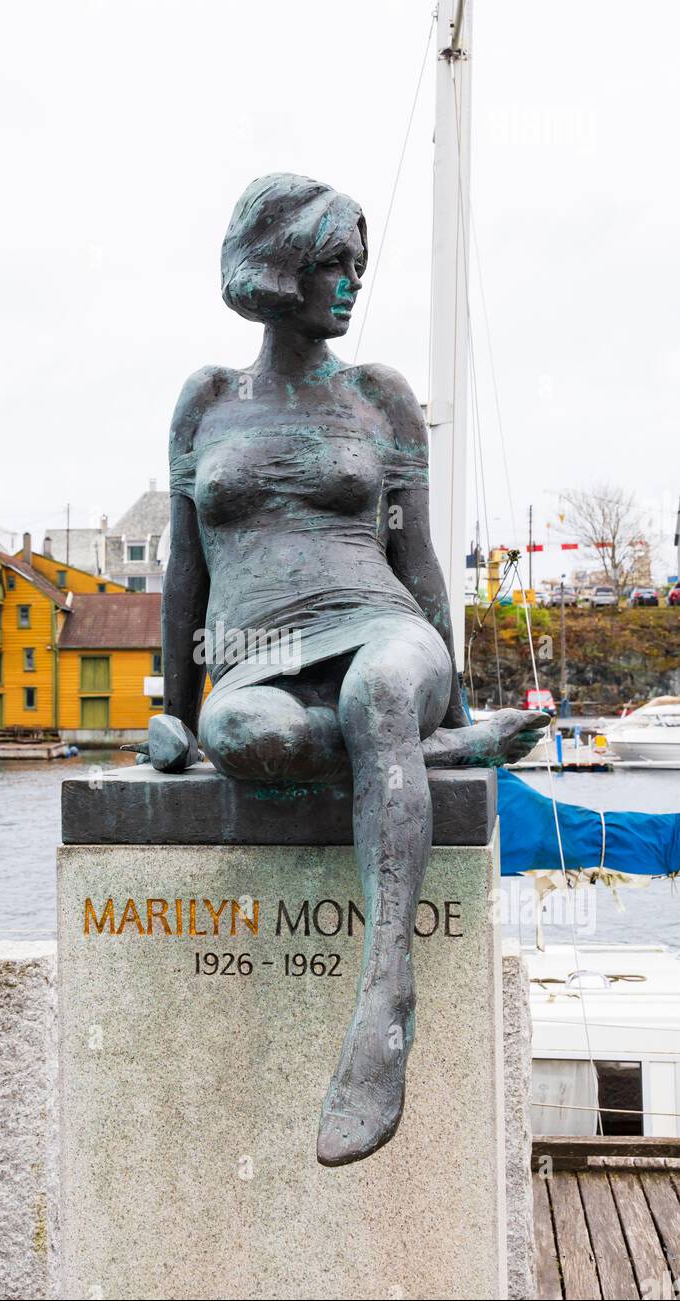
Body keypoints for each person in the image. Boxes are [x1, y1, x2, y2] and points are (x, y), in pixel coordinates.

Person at [143, 173, 546, 1166]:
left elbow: (416, 558)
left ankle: (382, 1001)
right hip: (254, 659)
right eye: (331, 262)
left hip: (381, 626)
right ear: (273, 265)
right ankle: (433, 747)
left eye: (356, 266)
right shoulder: (205, 400)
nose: (349, 284)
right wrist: (174, 711)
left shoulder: (378, 397)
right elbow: (184, 566)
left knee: (376, 696)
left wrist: (438, 676)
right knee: (248, 742)